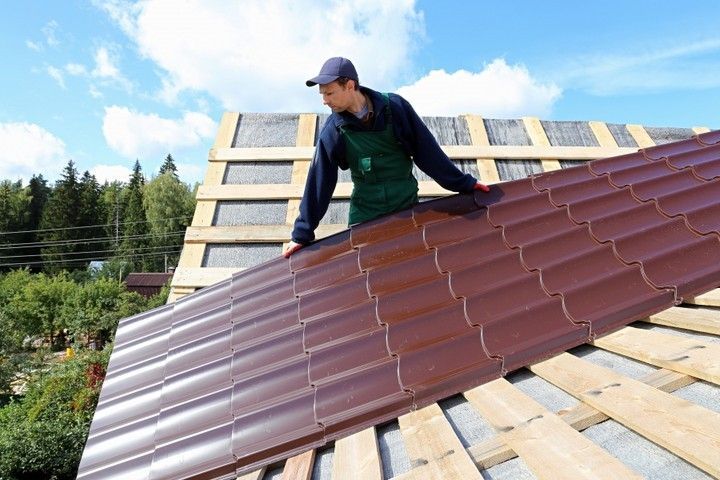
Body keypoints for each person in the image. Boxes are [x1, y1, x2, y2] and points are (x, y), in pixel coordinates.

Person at [283, 57, 490, 257]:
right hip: (365, 215)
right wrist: (302, 234)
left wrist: (464, 183)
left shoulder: (395, 108)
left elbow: (427, 151)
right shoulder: (334, 129)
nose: (325, 101)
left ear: (350, 85)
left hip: (405, 207)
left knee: (409, 269)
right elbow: (320, 180)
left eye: (329, 93)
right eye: (322, 94)